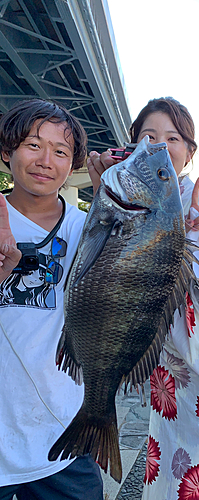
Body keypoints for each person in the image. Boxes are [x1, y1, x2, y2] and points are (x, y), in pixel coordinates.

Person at [88, 97, 199, 500]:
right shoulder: (124, 193)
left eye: (173, 138)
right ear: (133, 146)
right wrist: (102, 194)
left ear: (189, 152)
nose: (160, 145)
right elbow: (101, 268)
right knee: (161, 466)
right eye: (148, 136)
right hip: (159, 351)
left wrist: (198, 233)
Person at [0, 99, 104, 500]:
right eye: (32, 145)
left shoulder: (92, 229)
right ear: (7, 152)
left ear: (73, 164)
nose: (46, 160)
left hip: (63, 433)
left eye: (60, 151)